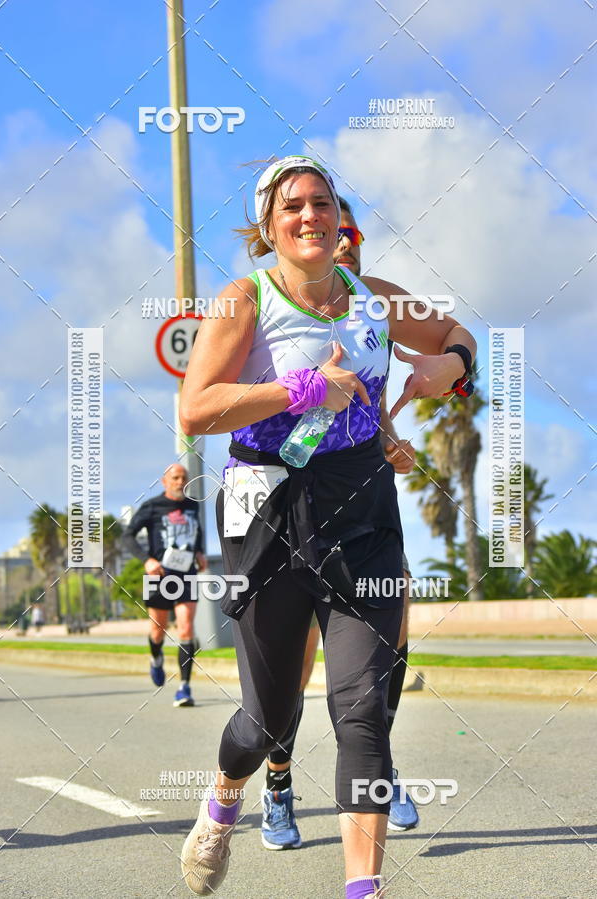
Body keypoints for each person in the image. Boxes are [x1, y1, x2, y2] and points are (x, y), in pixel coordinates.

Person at [178, 154, 476, 898]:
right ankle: (224, 798)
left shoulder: (374, 298)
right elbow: (197, 407)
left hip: (361, 512)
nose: (310, 216)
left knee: (361, 708)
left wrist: (453, 366)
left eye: (322, 202)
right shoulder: (242, 300)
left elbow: (454, 335)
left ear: (340, 217)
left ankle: (362, 889)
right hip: (268, 511)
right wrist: (310, 384)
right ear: (267, 228)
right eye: (292, 207)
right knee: (269, 717)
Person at [258, 197, 419, 852]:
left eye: (349, 231)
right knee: (291, 666)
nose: (340, 242)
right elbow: (282, 434)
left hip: (368, 502)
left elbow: (376, 405)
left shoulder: (373, 315)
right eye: (329, 231)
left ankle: (373, 764)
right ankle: (277, 781)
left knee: (394, 634)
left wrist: (391, 439)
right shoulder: (289, 313)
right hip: (295, 502)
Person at [122, 463, 207, 707]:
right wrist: (147, 560)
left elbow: (196, 532)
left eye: (184, 478)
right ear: (164, 481)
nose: (180, 482)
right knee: (158, 630)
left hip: (186, 573)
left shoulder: (192, 505)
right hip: (159, 575)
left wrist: (200, 552)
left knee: (185, 629)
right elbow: (128, 536)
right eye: (176, 478)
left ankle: (184, 687)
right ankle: (156, 657)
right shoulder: (151, 506)